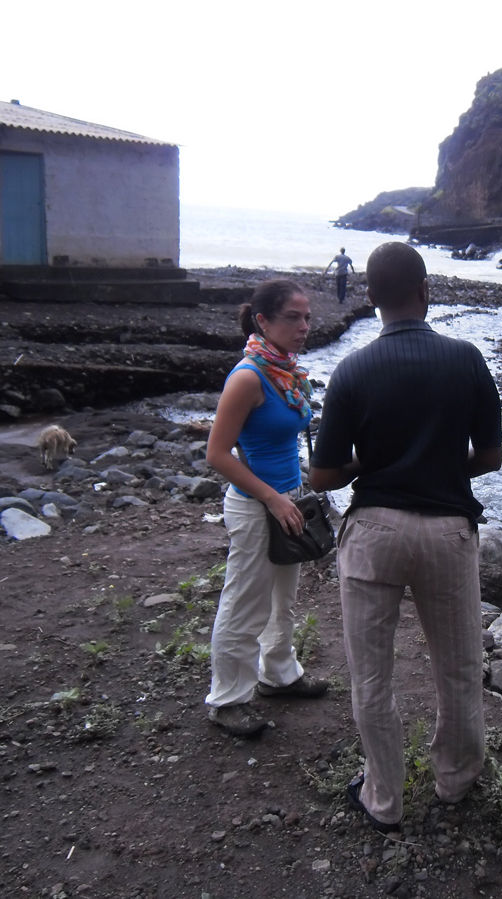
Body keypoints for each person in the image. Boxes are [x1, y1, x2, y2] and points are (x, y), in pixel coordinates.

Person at [310, 242, 502, 831]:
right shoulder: (467, 359)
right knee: (460, 667)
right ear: (426, 291)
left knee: (372, 674)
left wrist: (373, 470)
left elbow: (321, 476)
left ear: (369, 299)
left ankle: (383, 798)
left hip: (373, 532)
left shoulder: (351, 370)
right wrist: (440, 467)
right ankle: (455, 781)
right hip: (447, 533)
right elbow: (490, 458)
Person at [204, 278, 328, 737]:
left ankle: (279, 675)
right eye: (292, 318)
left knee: (283, 601)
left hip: (289, 501)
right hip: (257, 508)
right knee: (245, 604)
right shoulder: (248, 377)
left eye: (307, 317)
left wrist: (294, 492)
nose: (304, 326)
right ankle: (228, 698)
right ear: (263, 321)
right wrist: (273, 498)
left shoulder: (287, 372)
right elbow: (217, 455)